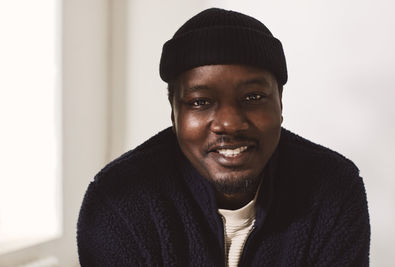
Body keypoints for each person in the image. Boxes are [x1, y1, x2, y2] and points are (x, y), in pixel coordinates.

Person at [77, 8, 370, 266]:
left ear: (280, 102)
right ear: (174, 112)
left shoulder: (333, 187)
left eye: (253, 97)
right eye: (200, 102)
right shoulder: (119, 199)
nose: (229, 124)